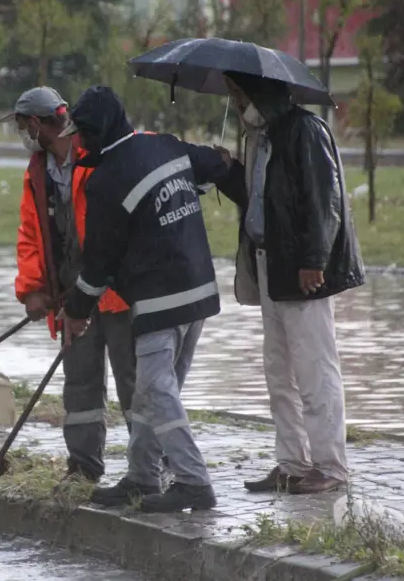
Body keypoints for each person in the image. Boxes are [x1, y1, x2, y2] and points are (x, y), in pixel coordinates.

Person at [59, 85, 245, 513]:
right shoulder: (166, 145)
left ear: (97, 132)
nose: (79, 143)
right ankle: (142, 477)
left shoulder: (105, 181)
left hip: (160, 299)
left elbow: (99, 263)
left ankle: (193, 481)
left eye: (81, 134)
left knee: (157, 390)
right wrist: (215, 169)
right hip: (199, 291)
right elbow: (215, 163)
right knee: (150, 390)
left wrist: (76, 311)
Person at [214, 71, 365, 495]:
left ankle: (330, 465)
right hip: (270, 263)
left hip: (301, 267)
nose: (235, 101)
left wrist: (314, 260)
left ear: (257, 92)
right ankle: (292, 462)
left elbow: (324, 199)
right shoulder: (260, 137)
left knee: (314, 368)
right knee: (279, 371)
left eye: (238, 93)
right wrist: (229, 171)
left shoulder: (304, 131)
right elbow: (260, 201)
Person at [1, 86, 138, 483]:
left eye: (23, 126)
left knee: (134, 381)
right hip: (68, 295)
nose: (23, 135)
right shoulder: (37, 171)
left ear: (38, 122)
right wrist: (32, 289)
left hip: (117, 291)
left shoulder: (96, 151)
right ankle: (83, 467)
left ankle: (149, 467)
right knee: (80, 383)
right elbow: (31, 233)